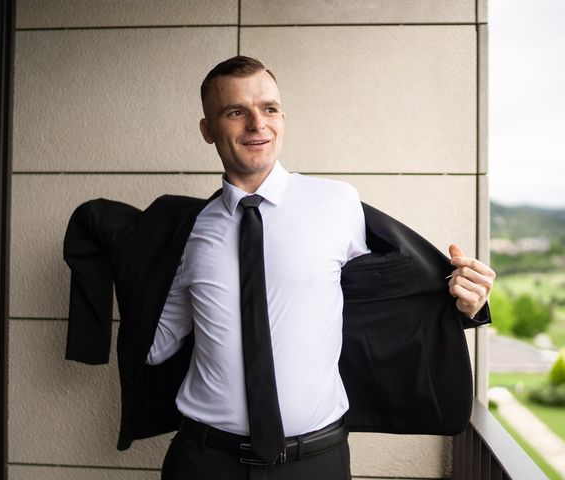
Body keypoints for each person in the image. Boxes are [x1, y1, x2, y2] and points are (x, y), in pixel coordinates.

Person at [135, 56, 496, 479]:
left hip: (315, 463)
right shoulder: (189, 230)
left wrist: (461, 300)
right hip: (203, 460)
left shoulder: (337, 203)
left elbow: (395, 302)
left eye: (269, 109)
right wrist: (123, 260)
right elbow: (156, 344)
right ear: (208, 130)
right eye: (236, 112)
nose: (257, 124)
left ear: (282, 119)